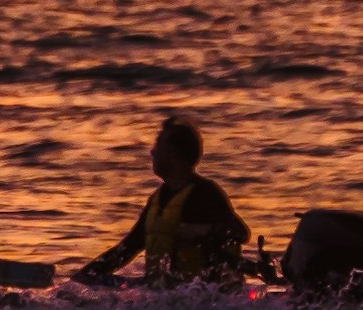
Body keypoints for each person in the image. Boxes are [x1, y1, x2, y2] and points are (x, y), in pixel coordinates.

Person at [75, 109, 253, 290]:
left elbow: (240, 233)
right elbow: (127, 248)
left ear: (173, 155)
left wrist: (203, 230)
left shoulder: (204, 192)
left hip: (201, 296)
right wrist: (83, 276)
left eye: (158, 145)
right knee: (103, 283)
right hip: (162, 293)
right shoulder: (158, 199)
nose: (152, 152)